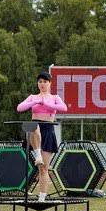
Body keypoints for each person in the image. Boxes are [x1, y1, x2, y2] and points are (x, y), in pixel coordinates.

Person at [16, 72, 68, 201]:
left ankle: (42, 197)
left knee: (43, 169)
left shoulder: (55, 97)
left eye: (45, 81)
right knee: (34, 126)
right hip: (35, 130)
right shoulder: (33, 97)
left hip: (48, 129)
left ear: (50, 83)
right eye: (40, 82)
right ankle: (37, 154)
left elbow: (64, 108)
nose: (42, 84)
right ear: (37, 84)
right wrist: (35, 101)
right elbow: (19, 108)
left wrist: (45, 103)